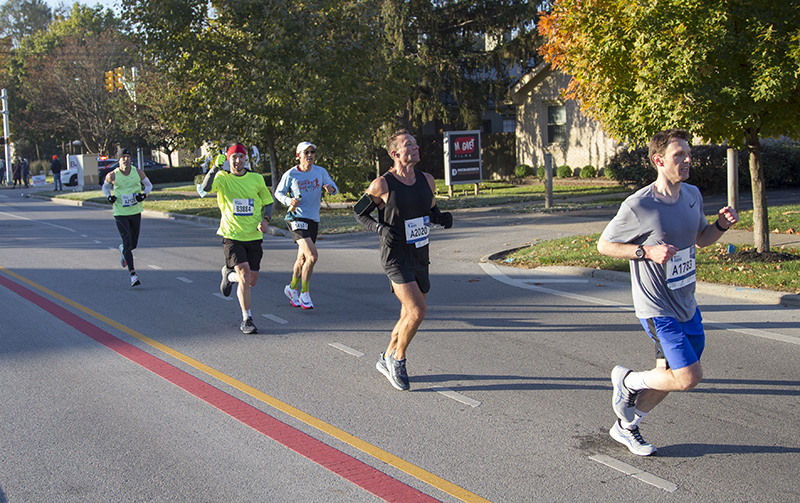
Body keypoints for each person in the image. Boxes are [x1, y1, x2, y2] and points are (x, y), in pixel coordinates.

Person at [597, 128, 739, 456]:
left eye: (689, 154)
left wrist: (720, 226)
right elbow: (604, 245)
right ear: (659, 161)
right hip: (657, 307)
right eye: (680, 156)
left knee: (668, 375)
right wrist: (646, 253)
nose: (688, 160)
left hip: (687, 302)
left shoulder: (692, 195)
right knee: (688, 377)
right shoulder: (639, 205)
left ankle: (625, 428)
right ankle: (629, 382)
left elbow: (700, 239)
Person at [354, 129, 453, 391]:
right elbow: (358, 212)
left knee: (407, 313)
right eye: (409, 144)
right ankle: (398, 359)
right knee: (418, 311)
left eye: (416, 143)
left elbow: (429, 209)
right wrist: (379, 228)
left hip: (420, 252)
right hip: (395, 256)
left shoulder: (427, 180)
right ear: (395, 153)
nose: (416, 147)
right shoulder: (382, 184)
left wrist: (441, 217)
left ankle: (386, 356)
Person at [200, 143, 274, 334]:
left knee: (251, 281)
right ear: (228, 159)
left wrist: (266, 220)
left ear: (245, 159)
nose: (238, 160)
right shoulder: (222, 178)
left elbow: (268, 203)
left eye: (241, 157)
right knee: (244, 275)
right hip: (232, 236)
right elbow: (204, 188)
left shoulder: (256, 179)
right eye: (234, 157)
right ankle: (247, 319)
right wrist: (215, 167)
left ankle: (228, 275)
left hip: (254, 236)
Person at [275, 141, 339, 309]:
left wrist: (330, 189)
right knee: (312, 256)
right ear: (298, 156)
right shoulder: (291, 174)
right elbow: (278, 193)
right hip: (295, 218)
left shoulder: (320, 171)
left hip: (313, 219)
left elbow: (334, 187)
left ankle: (291, 288)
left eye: (312, 152)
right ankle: (305, 293)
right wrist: (289, 200)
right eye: (306, 153)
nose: (310, 155)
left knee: (302, 258)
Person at [102, 148, 153, 287]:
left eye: (128, 156)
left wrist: (144, 195)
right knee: (127, 240)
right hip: (120, 213)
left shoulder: (138, 172)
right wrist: (109, 197)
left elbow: (149, 185)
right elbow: (105, 187)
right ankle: (133, 275)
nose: (126, 159)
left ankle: (123, 249)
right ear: (119, 160)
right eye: (123, 157)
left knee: (132, 244)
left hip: (135, 211)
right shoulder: (113, 175)